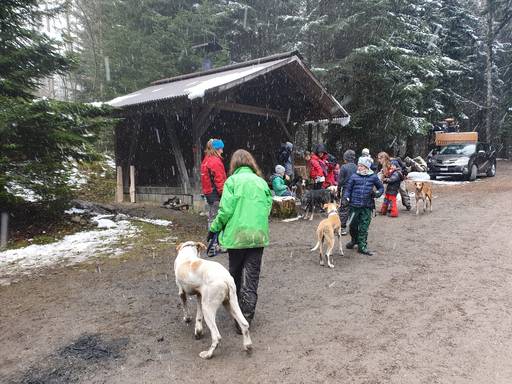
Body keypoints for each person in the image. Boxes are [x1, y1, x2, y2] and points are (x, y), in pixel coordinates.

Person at [207, 149, 273, 332]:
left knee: (234, 274)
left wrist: (214, 229)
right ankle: (247, 315)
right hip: (257, 236)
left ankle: (236, 311)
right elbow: (268, 206)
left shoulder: (232, 182)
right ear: (252, 163)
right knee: (252, 276)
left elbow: (225, 210)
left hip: (236, 236)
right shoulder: (261, 183)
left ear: (234, 164)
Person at [342, 156, 384, 255]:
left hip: (366, 207)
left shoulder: (373, 177)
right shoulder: (354, 176)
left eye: (361, 166)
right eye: (358, 166)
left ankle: (362, 246)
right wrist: (345, 198)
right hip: (354, 206)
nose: (359, 168)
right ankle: (354, 240)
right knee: (352, 226)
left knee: (364, 227)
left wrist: (377, 193)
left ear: (367, 167)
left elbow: (381, 187)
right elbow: (348, 189)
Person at [200, 139, 226, 230]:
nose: (222, 151)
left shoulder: (206, 160)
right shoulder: (215, 161)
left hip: (209, 193)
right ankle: (215, 242)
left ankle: (212, 240)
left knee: (212, 217)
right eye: (221, 149)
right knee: (216, 218)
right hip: (216, 194)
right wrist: (223, 194)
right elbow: (219, 179)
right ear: (215, 149)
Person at [336, 150, 358, 235]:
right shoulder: (357, 167)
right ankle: (354, 227)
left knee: (344, 209)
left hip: (346, 190)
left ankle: (342, 227)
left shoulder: (344, 167)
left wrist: (338, 192)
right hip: (355, 190)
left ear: (346, 159)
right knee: (354, 208)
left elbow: (340, 181)